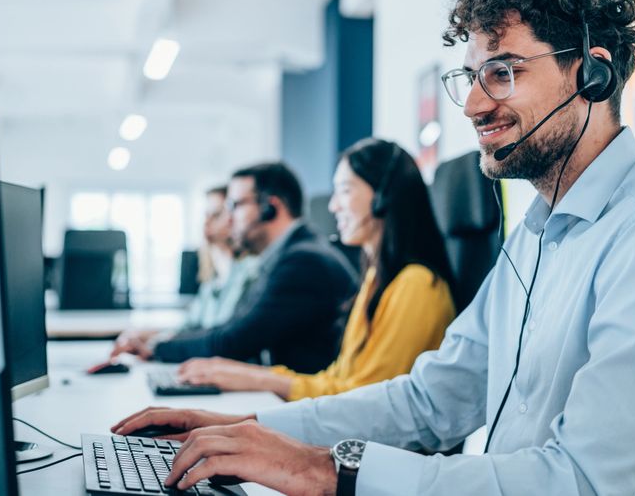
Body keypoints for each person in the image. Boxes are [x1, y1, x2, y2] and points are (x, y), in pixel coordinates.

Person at [112, 0, 635, 495]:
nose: (476, 104)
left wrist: (322, 470)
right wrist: (248, 425)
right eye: (471, 77)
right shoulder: (534, 236)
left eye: (504, 71)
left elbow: (581, 480)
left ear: (591, 73)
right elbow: (430, 401)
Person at [175, 139, 456, 400]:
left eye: (344, 190)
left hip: (374, 447)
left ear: (382, 195)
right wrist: (254, 377)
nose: (333, 206)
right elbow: (338, 378)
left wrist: (262, 380)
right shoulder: (376, 280)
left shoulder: (417, 285)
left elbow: (366, 399)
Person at [120, 162, 358, 373]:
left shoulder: (303, 262)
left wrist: (156, 348)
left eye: (235, 206)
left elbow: (233, 342)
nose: (229, 219)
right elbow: (230, 328)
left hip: (308, 405)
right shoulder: (287, 256)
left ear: (270, 207)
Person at [110, 185, 258, 359]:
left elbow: (220, 337)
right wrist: (148, 336)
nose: (206, 222)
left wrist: (156, 346)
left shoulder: (251, 270)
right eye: (205, 215)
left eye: (216, 214)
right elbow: (190, 327)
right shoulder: (213, 279)